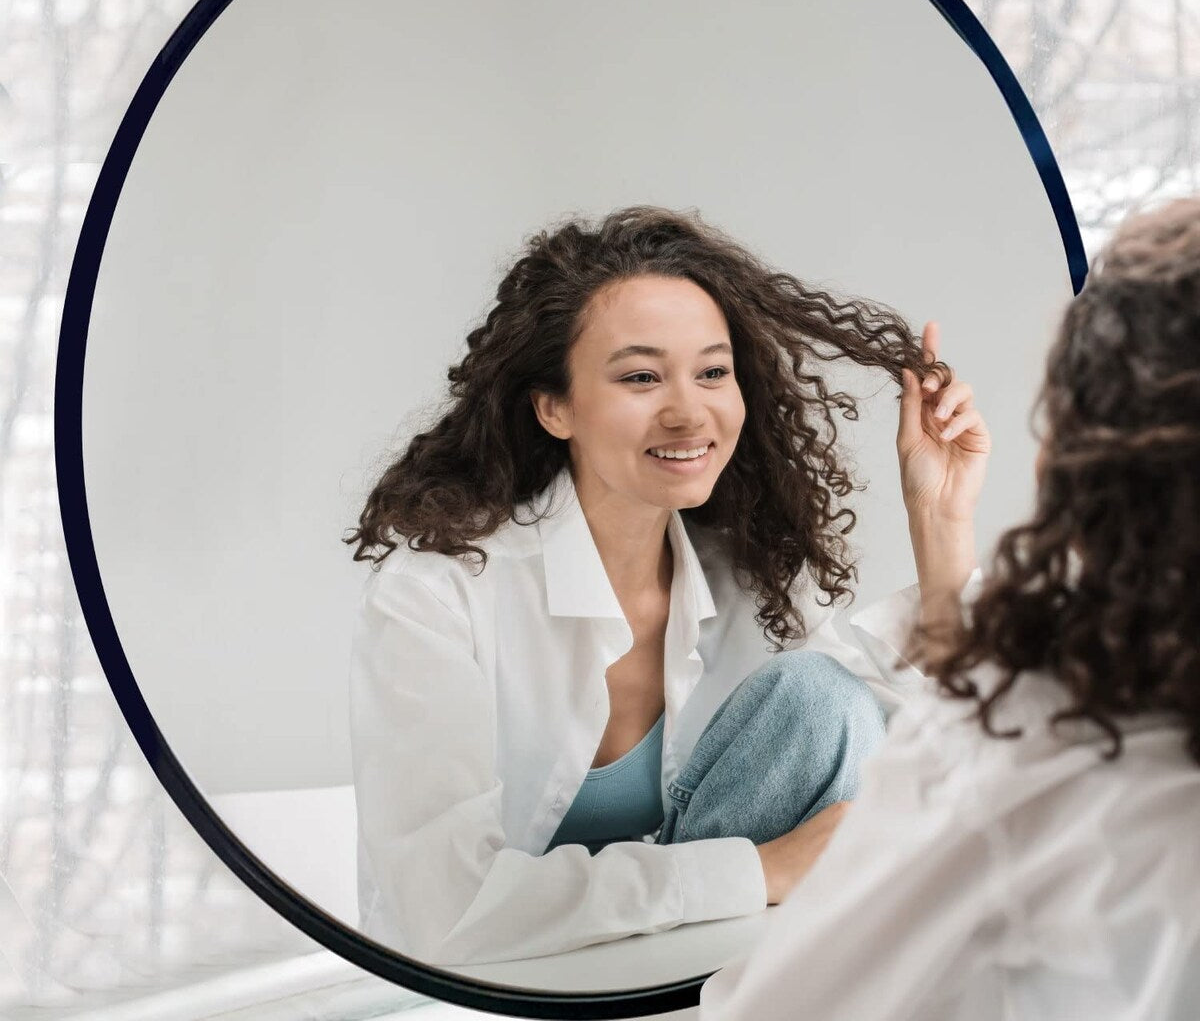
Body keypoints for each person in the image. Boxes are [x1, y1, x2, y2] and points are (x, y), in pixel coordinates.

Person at [345, 204, 990, 965]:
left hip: (695, 989)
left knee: (830, 704)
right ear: (556, 407)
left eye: (713, 372)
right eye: (641, 377)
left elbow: (913, 754)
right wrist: (761, 869)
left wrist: (939, 523)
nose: (689, 412)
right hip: (492, 997)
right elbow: (444, 911)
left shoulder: (746, 576)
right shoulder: (436, 596)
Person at [698, 198, 1200, 1021]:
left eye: (713, 370)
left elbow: (784, 1006)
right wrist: (940, 527)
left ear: (1075, 465)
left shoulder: (1037, 763)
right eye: (643, 373)